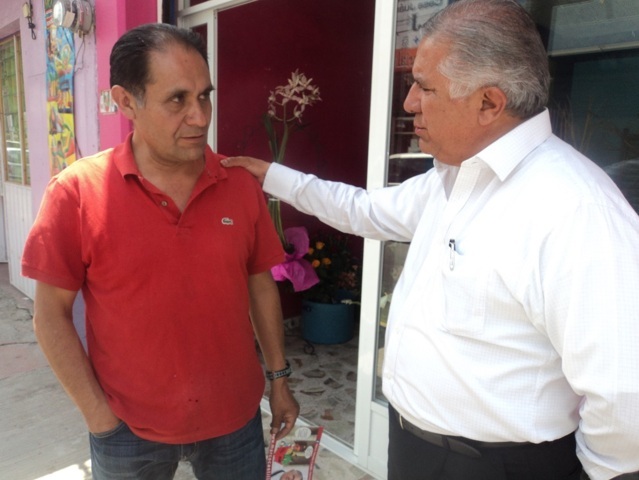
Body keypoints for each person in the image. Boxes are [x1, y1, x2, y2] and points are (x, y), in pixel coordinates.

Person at [221, 1, 639, 479]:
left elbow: (624, 394)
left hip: (497, 467)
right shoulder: (453, 178)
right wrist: (272, 176)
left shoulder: (575, 209)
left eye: (425, 86)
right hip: (416, 447)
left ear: (489, 103)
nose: (409, 103)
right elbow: (363, 209)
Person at [22, 23, 299, 480]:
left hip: (235, 421)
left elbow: (259, 283)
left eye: (204, 96)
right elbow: (50, 315)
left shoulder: (238, 185)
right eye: (177, 100)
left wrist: (279, 378)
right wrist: (99, 417)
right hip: (127, 432)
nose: (200, 117)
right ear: (126, 101)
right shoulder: (77, 193)